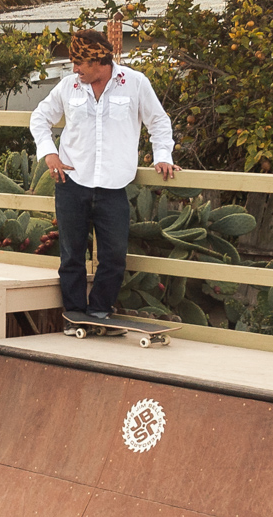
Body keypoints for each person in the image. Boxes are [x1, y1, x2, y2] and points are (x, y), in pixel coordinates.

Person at [30, 29, 181, 335]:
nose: (75, 69)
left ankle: (99, 312)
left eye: (79, 63)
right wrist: (48, 153)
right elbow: (40, 118)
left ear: (99, 59)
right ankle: (74, 316)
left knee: (113, 255)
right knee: (71, 253)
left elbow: (158, 121)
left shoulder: (135, 83)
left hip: (114, 186)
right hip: (72, 182)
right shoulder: (68, 86)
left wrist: (162, 154)